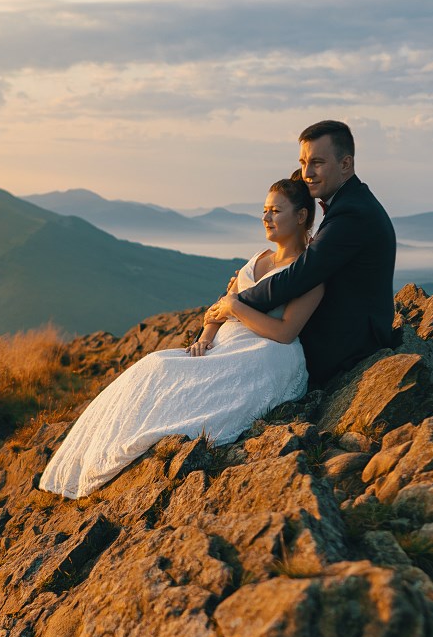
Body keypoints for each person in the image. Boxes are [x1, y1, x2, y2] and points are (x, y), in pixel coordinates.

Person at [38, 177, 324, 498]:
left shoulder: (309, 272)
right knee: (153, 365)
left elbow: (285, 332)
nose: (266, 218)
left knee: (180, 383)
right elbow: (221, 305)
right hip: (223, 343)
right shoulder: (259, 257)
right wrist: (206, 336)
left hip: (264, 350)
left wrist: (234, 307)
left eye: (276, 211)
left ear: (301, 216)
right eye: (264, 210)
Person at [212, 121, 396, 389]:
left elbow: (300, 276)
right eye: (303, 162)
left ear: (345, 164)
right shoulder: (350, 204)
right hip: (341, 330)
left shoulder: (352, 214)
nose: (307, 172)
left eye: (317, 162)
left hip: (348, 344)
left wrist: (238, 301)